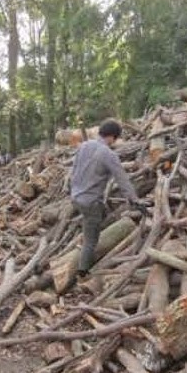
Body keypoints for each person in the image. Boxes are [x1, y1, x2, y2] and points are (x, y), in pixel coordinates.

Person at [70, 119, 145, 278]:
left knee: (100, 215)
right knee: (91, 240)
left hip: (76, 196)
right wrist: (135, 200)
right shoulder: (108, 154)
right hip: (90, 201)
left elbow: (74, 170)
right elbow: (122, 178)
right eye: (115, 139)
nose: (114, 142)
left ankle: (93, 237)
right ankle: (83, 272)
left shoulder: (84, 146)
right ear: (112, 137)